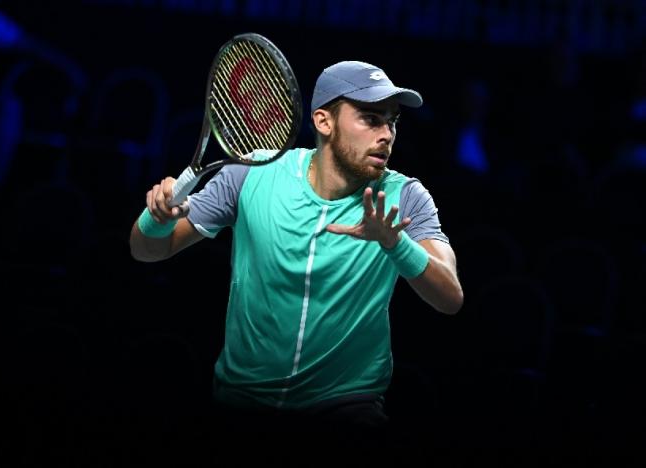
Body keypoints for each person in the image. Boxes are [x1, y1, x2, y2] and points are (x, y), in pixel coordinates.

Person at [129, 60, 463, 465]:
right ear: (324, 121)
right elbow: (147, 249)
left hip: (346, 408)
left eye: (392, 122)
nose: (386, 135)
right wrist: (157, 217)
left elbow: (450, 297)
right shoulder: (253, 172)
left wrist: (396, 244)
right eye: (370, 119)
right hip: (242, 401)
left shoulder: (405, 197)